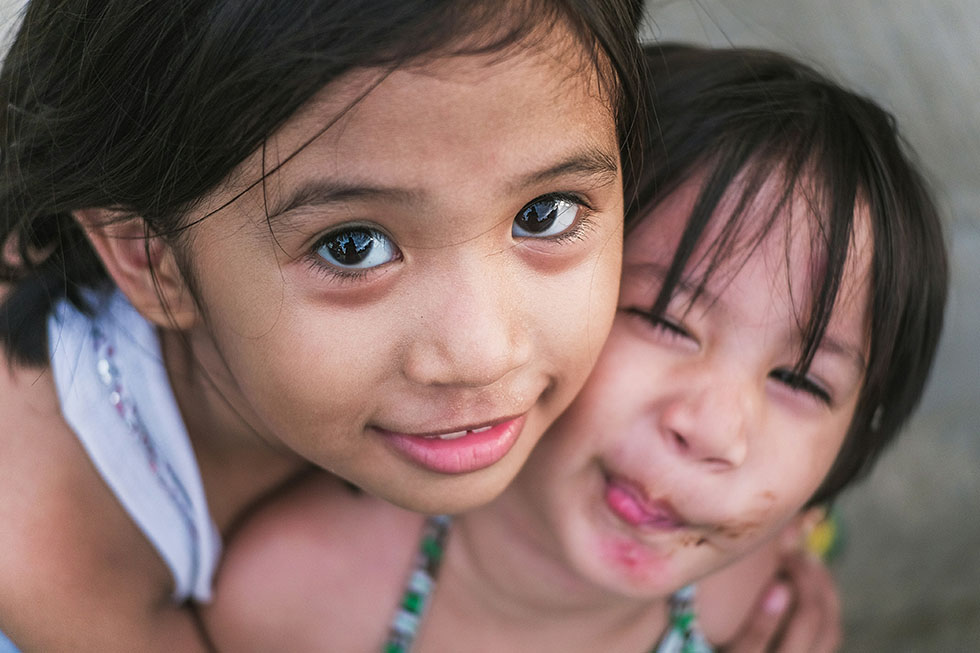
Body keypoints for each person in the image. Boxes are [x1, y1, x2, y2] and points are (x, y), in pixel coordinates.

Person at [203, 42, 948, 651]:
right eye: (664, 321)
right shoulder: (297, 599)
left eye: (803, 381)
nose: (714, 429)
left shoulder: (762, 587)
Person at [0, 1, 646, 649]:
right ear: (151, 259)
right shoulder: (49, 541)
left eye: (545, 214)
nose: (481, 353)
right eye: (352, 245)